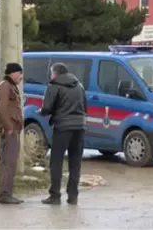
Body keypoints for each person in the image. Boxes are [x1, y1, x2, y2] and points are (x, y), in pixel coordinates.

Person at [40, 63, 87, 205]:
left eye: (51, 73)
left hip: (63, 127)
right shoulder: (79, 86)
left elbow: (47, 107)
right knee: (75, 162)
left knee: (56, 161)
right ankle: (73, 195)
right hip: (80, 126)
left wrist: (41, 112)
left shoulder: (53, 86)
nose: (50, 75)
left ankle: (55, 195)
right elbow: (85, 106)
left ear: (55, 73)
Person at [0, 63, 24, 204]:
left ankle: (7, 193)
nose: (21, 77)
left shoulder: (10, 86)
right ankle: (5, 195)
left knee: (10, 162)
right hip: (9, 130)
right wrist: (8, 126)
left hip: (13, 129)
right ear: (12, 73)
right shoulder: (5, 86)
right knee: (8, 162)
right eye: (19, 73)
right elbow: (2, 107)